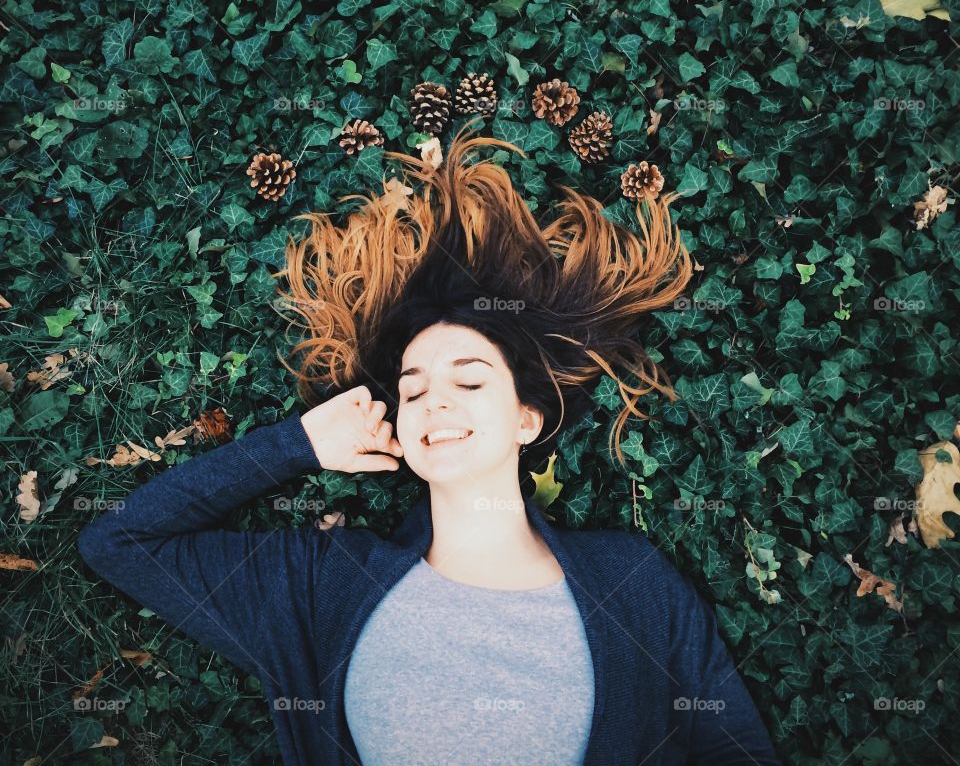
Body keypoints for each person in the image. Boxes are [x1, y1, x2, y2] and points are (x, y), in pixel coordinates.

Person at [78, 124, 782, 765]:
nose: (433, 399)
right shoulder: (323, 584)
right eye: (412, 389)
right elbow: (122, 544)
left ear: (526, 421)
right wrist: (299, 444)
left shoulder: (634, 585)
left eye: (469, 382)